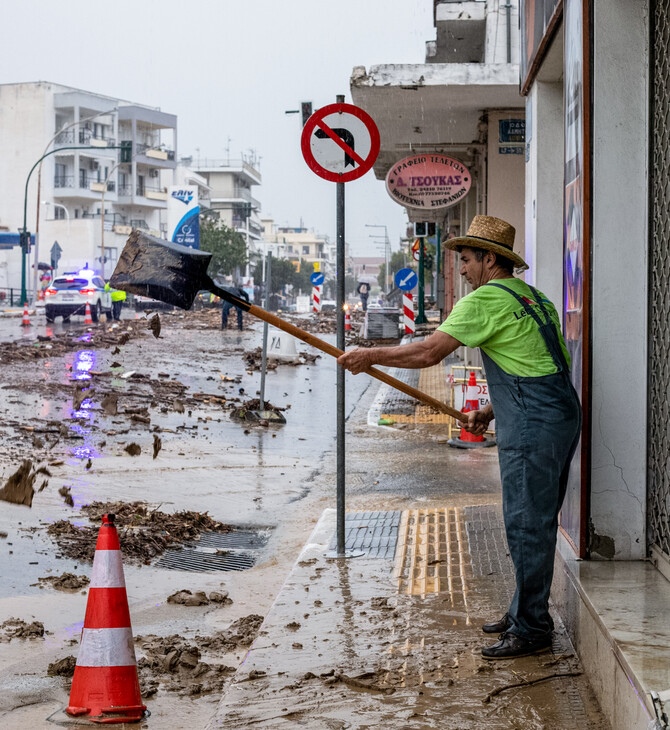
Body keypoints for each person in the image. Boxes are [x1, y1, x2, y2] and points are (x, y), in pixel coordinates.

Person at [338, 215, 581, 660]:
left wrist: (369, 354)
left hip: (532, 424)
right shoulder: (534, 298)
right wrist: (489, 411)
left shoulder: (485, 298)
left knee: (527, 523)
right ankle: (522, 611)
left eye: (467, 260)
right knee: (537, 519)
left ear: (491, 259)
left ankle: (531, 628)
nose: (463, 270)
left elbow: (429, 351)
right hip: (561, 414)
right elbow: (540, 364)